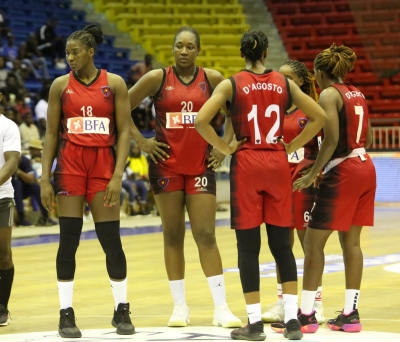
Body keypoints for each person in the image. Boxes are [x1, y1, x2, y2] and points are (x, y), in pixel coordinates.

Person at [195, 29, 327, 341]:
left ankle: (254, 324)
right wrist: (291, 143)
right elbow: (319, 116)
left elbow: (201, 120)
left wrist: (225, 148)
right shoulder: (283, 83)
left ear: (243, 54)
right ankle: (293, 321)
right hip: (278, 163)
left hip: (248, 164)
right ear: (266, 54)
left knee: (248, 248)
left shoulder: (231, 83)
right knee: (282, 245)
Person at [127, 26, 242, 328]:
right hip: (165, 166)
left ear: (198, 50)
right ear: (173, 48)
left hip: (201, 166)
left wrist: (224, 147)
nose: (184, 51)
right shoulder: (157, 78)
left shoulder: (213, 79)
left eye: (190, 46)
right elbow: (119, 106)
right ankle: (180, 307)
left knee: (205, 234)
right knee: (173, 235)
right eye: (179, 46)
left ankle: (221, 308)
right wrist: (142, 142)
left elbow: (234, 114)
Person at [40, 23, 134, 338]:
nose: (69, 57)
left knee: (112, 241)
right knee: (68, 240)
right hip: (69, 166)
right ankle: (66, 314)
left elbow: (124, 134)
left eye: (75, 52)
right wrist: (44, 178)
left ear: (90, 51)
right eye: (67, 52)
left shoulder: (116, 84)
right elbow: (51, 134)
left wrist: (118, 175)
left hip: (104, 166)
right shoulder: (59, 86)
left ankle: (122, 309)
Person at [291, 43, 376, 333]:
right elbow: (370, 137)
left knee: (313, 243)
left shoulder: (329, 94)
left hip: (345, 172)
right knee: (351, 244)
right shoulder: (358, 93)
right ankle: (350, 314)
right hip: (366, 166)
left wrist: (314, 172)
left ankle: (305, 315)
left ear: (317, 73)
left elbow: (330, 140)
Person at [262, 59, 325, 328]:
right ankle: (282, 301)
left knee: (307, 243)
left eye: (287, 77)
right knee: (280, 245)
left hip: (303, 183)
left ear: (299, 82)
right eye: (279, 76)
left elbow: (325, 143)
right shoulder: (273, 109)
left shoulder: (310, 110)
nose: (281, 81)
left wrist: (317, 173)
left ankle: (315, 303)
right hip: (278, 184)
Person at [0, 91, 21, 326]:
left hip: (1, 198)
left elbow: (12, 162)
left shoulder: (8, 127)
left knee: (3, 256)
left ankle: (2, 307)